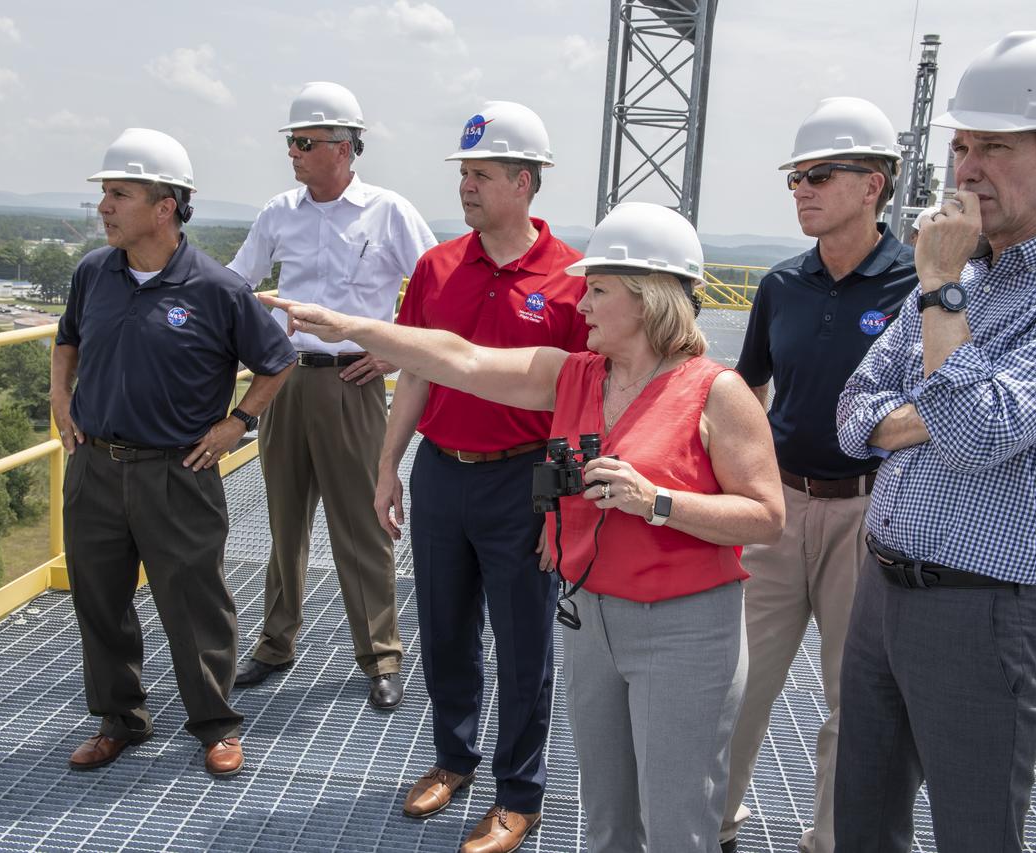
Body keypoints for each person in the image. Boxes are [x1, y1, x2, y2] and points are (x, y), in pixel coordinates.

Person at [264, 201, 784, 853]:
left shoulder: (716, 392)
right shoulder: (574, 376)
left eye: (597, 290)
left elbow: (766, 516)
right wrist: (349, 325)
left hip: (683, 627)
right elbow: (461, 359)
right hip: (594, 618)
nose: (581, 302)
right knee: (606, 818)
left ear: (650, 299)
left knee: (678, 820)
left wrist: (656, 500)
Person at [834, 32, 1036, 852]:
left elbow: (979, 436)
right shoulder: (965, 274)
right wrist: (942, 387)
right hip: (882, 594)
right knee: (861, 827)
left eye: (995, 147)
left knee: (975, 834)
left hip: (983, 614)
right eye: (961, 144)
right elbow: (853, 414)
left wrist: (938, 292)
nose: (966, 169)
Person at [374, 101, 589, 853]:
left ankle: (519, 792)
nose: (466, 186)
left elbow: (582, 402)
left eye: (482, 173)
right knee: (443, 630)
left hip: (525, 481)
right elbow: (418, 377)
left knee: (525, 643)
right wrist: (388, 467)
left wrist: (564, 507)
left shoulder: (571, 281)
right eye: (464, 173)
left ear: (525, 183)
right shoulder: (437, 267)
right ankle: (452, 758)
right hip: (441, 474)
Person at [51, 128, 296, 776]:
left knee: (194, 603)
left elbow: (277, 361)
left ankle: (215, 725)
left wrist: (237, 423)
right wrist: (59, 394)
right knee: (98, 598)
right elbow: (68, 338)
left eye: (119, 193)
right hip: (95, 466)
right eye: (104, 193)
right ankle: (118, 719)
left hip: (176, 472)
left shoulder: (216, 288)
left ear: (165, 206)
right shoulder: (92, 273)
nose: (104, 206)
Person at [722, 97, 916, 853]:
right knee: (736, 685)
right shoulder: (782, 285)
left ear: (873, 184)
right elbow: (746, 391)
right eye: (796, 178)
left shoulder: (916, 287)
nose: (801, 188)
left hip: (871, 516)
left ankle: (831, 840)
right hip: (778, 510)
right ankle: (714, 824)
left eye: (818, 174)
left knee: (855, 699)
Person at [227, 82, 436, 709]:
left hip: (353, 386)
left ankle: (380, 654)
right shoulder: (278, 212)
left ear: (343, 148)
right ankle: (274, 642)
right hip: (286, 382)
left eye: (303, 141)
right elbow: (237, 286)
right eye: (291, 142)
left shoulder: (388, 212)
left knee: (361, 523)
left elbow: (435, 287)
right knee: (284, 522)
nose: (292, 152)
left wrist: (394, 349)